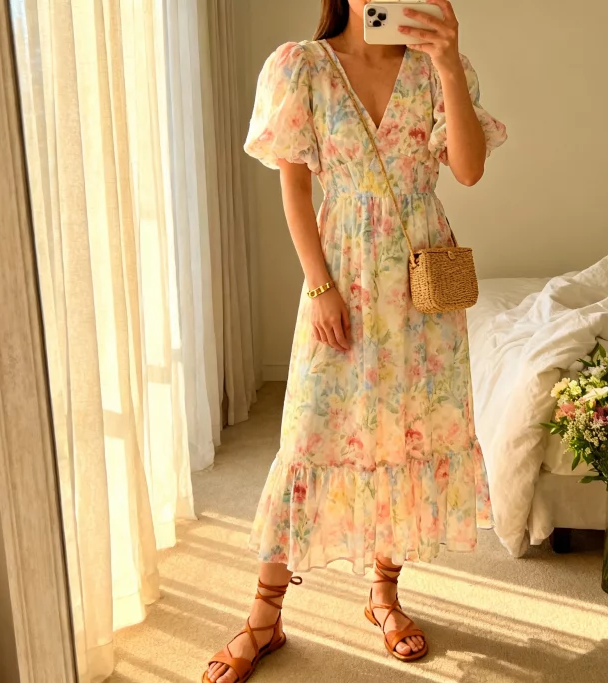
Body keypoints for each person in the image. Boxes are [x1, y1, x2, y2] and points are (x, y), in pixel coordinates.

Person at [205, 1, 506, 680]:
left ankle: (384, 595)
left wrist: (447, 63)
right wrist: (319, 286)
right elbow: (295, 190)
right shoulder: (301, 67)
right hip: (342, 272)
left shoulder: (438, 70)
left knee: (404, 433)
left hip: (421, 289)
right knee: (309, 438)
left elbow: (467, 170)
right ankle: (264, 616)